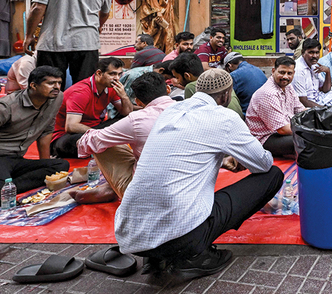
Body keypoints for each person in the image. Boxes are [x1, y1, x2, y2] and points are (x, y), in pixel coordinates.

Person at [115, 69, 284, 280]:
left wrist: (223, 157)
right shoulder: (224, 117)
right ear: (226, 95)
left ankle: (157, 258)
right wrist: (238, 154)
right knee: (273, 175)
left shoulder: (171, 111)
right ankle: (194, 256)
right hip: (181, 236)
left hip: (132, 236)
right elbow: (263, 163)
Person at [73, 72, 176, 204]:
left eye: (117, 74)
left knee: (99, 141)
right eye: (112, 73)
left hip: (147, 192)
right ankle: (109, 187)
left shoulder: (137, 119)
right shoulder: (189, 110)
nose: (115, 77)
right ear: (168, 89)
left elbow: (90, 141)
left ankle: (111, 188)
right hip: (189, 184)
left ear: (138, 101)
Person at [24, 0, 112, 84]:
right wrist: (98, 26)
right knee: (84, 88)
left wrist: (29, 35)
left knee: (48, 86)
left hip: (52, 43)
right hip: (86, 43)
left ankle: (52, 105)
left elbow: (37, 8)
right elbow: (105, 13)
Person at [0, 66, 69, 193]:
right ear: (33, 85)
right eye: (50, 83)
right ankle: (6, 186)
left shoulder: (56, 98)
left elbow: (47, 131)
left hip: (18, 159)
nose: (57, 87)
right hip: (1, 157)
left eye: (59, 83)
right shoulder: (7, 106)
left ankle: (8, 188)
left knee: (60, 166)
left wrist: (45, 163)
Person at [51, 58, 133, 159]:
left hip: (94, 129)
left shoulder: (111, 87)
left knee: (130, 119)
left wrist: (124, 96)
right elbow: (71, 126)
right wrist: (101, 134)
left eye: (119, 74)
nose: (117, 78)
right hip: (66, 136)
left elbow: (127, 112)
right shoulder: (81, 92)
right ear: (99, 73)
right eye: (112, 74)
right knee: (78, 142)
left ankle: (101, 145)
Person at [246, 56, 306, 158]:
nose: (285, 77)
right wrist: (310, 131)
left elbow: (300, 110)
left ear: (293, 73)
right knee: (306, 141)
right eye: (282, 72)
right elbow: (282, 129)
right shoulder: (268, 93)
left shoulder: (288, 86)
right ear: (273, 71)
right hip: (264, 138)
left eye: (289, 73)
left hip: (283, 130)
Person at [172, 53, 243, 118]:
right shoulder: (220, 80)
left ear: (187, 76)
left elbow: (191, 117)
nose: (177, 81)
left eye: (177, 77)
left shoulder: (191, 87)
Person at [293, 39, 332, 107]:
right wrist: (323, 110)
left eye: (317, 52)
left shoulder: (314, 65)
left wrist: (328, 72)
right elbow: (302, 100)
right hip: (306, 105)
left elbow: (325, 90)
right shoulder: (298, 69)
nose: (315, 56)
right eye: (311, 52)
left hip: (317, 99)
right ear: (303, 52)